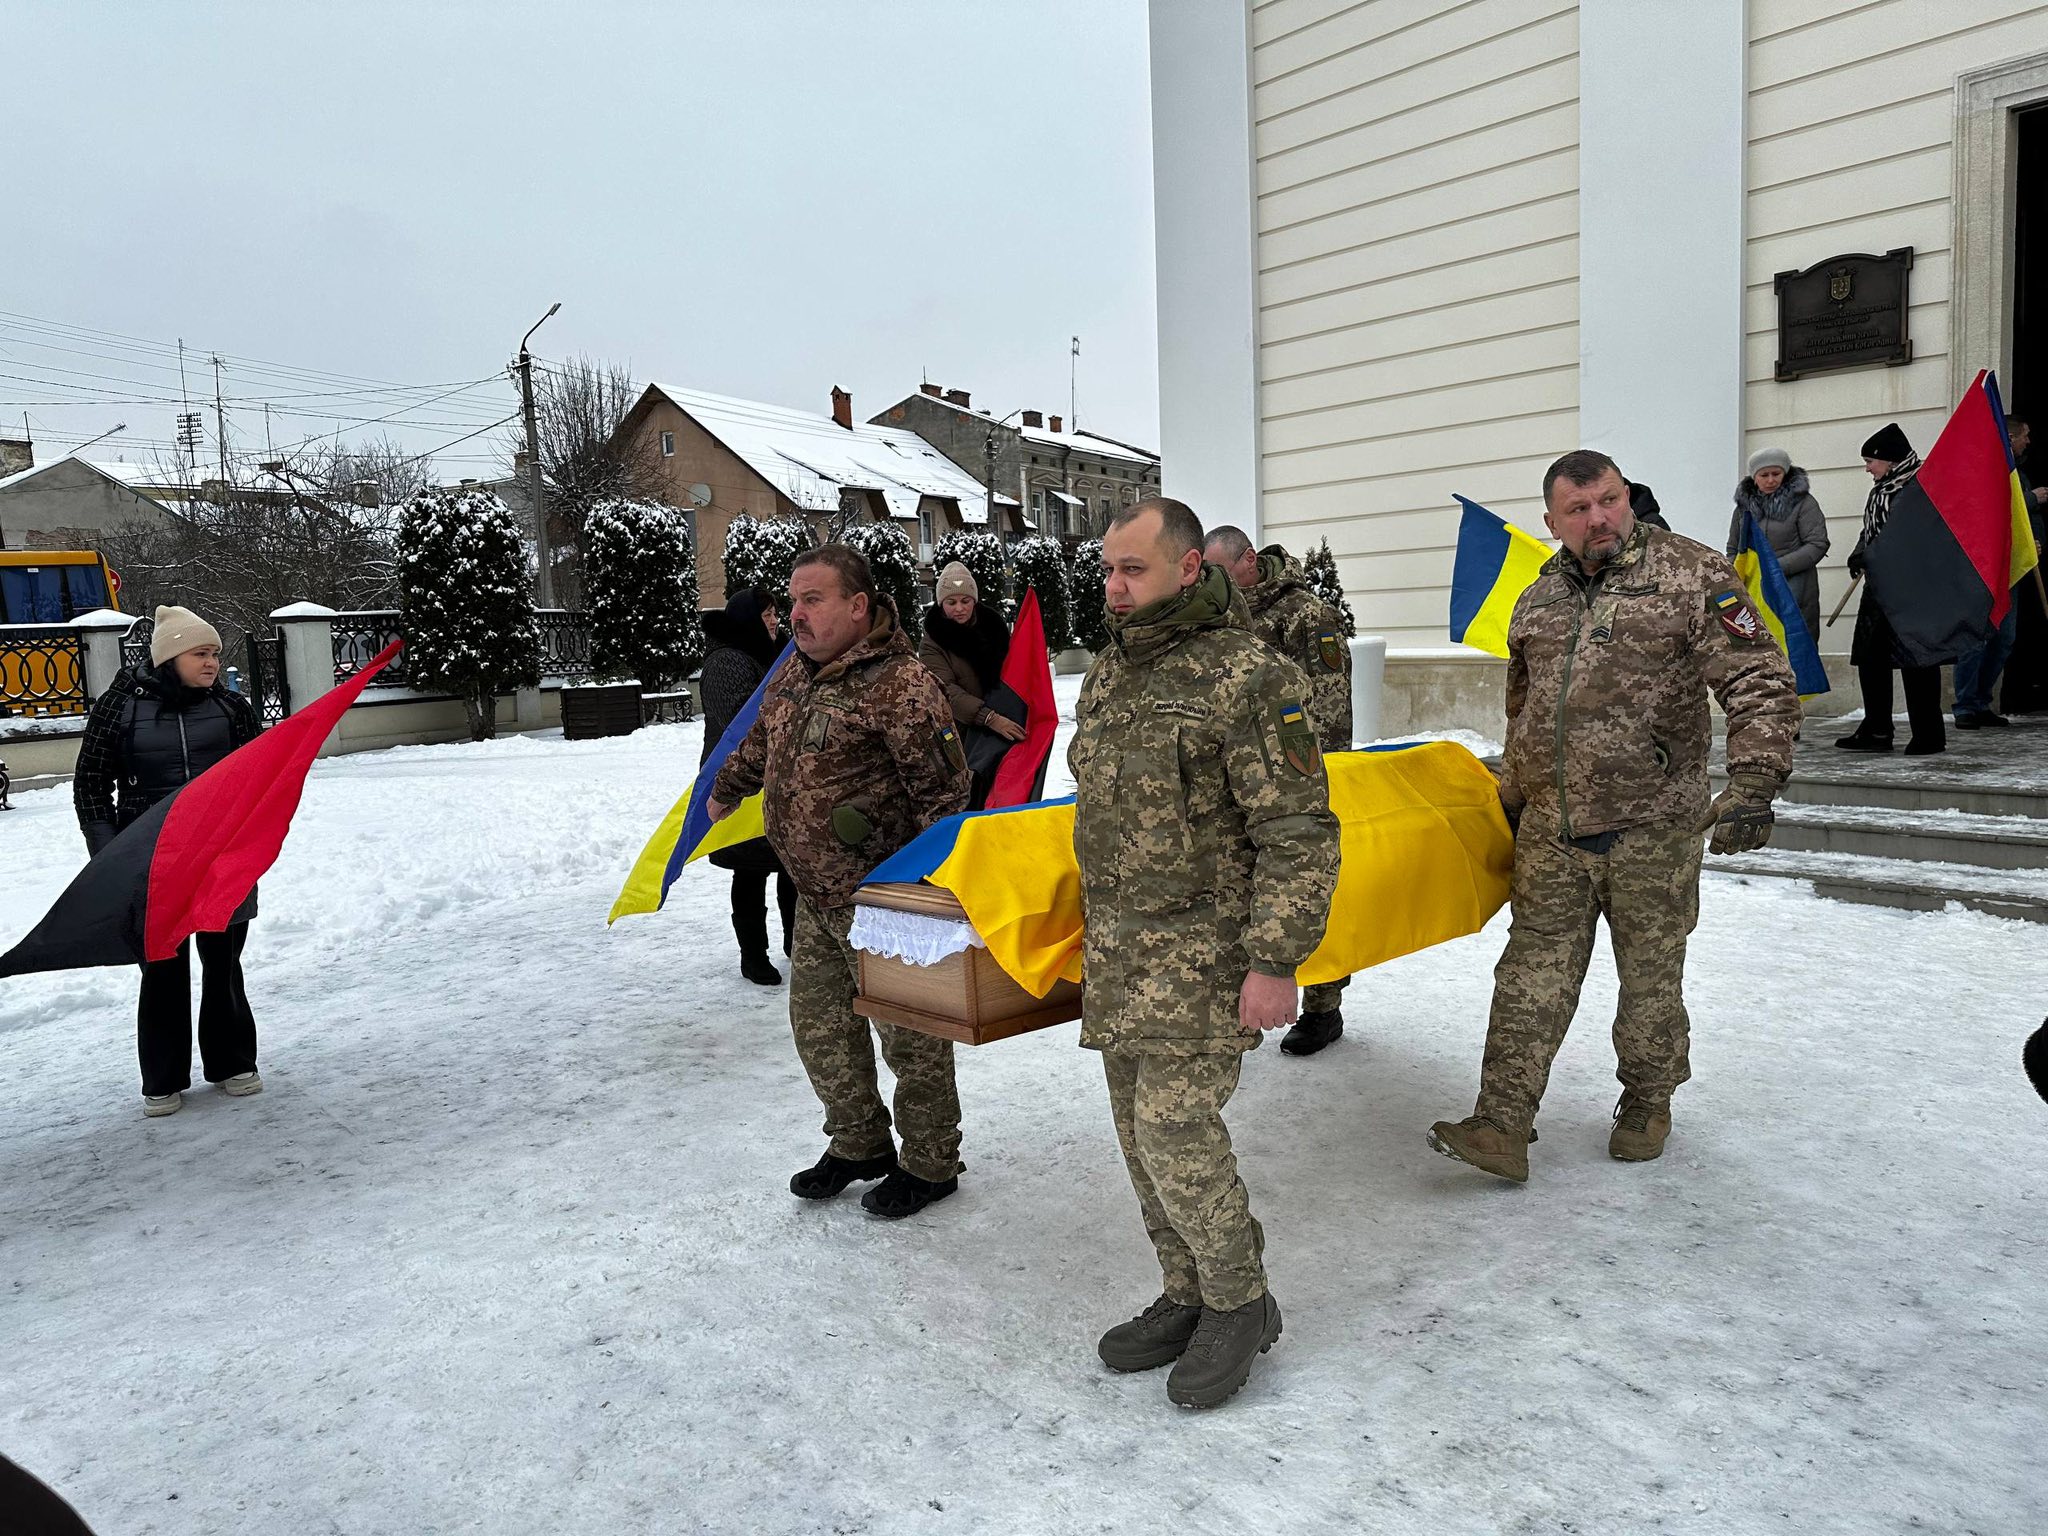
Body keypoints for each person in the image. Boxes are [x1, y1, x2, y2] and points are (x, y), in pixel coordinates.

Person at [1428, 451, 1798, 1184]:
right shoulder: (1537, 598)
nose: (1599, 519)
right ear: (1552, 521)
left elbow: (1758, 677)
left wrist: (1755, 780)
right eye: (1579, 509)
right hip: (1554, 830)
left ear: (1626, 497)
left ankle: (1647, 1101)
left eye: (1610, 500)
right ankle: (1501, 1122)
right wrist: (1512, 799)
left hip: (1652, 827)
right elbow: (1524, 711)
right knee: (1529, 976)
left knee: (1649, 980)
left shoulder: (1691, 574)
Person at [1073, 498, 1340, 1408]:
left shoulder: (1250, 676)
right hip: (1120, 956)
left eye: (1133, 569)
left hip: (1205, 958)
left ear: (1190, 567)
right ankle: (1185, 1289)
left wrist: (1275, 959)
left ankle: (1238, 1300)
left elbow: (1298, 832)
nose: (1115, 588)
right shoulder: (1112, 671)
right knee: (1135, 1135)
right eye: (1108, 570)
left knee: (1175, 1129)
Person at [707, 545, 972, 1218]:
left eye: (813, 599)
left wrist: (923, 897)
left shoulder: (902, 686)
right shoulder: (794, 673)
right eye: (793, 601)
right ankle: (859, 1143)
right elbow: (761, 741)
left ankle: (931, 1161)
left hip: (886, 902)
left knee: (911, 1038)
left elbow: (944, 799)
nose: (796, 614)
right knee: (820, 1028)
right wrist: (728, 787)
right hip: (815, 894)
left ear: (857, 606)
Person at [72, 605, 263, 1117]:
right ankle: (163, 1078)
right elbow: (91, 784)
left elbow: (259, 778)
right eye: (201, 653)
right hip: (151, 861)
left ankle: (232, 1062)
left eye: (215, 653)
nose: (212, 663)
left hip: (221, 858)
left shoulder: (232, 707)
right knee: (161, 966)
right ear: (169, 657)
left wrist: (248, 842)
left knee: (223, 962)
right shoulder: (120, 706)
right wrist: (109, 854)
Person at [1202, 524, 1355, 1056]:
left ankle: (1323, 1007)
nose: (1214, 582)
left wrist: (1314, 778)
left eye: (1221, 572)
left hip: (1300, 778)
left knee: (1306, 886)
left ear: (1249, 560)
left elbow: (1330, 705)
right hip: (1241, 777)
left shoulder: (1307, 616)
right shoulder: (1221, 613)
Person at [698, 587, 796, 985]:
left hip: (779, 778)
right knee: (750, 870)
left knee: (791, 865)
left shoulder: (777, 654)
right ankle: (753, 955)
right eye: (764, 614)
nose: (773, 621)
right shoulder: (727, 661)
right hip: (739, 780)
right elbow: (740, 722)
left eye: (774, 613)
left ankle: (796, 941)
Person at [1839, 423, 1944, 754]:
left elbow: (1916, 538)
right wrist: (1860, 552)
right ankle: (1877, 730)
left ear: (1890, 459)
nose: (1868, 468)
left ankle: (1929, 734)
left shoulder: (1920, 489)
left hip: (1915, 591)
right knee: (1871, 659)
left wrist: (1877, 556)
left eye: (1870, 461)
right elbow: (1871, 530)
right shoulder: (1881, 490)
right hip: (1879, 590)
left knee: (1918, 661)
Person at [917, 560, 1024, 809]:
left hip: (1004, 727)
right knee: (971, 802)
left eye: (965, 601)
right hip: (962, 737)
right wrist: (989, 718)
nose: (959, 608)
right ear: (941, 604)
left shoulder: (994, 630)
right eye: (951, 602)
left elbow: (1013, 670)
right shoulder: (932, 643)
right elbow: (945, 690)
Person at [1726, 447, 1829, 643]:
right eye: (1764, 475)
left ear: (1786, 473)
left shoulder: (1804, 503)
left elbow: (1817, 544)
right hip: (1754, 590)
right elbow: (1733, 549)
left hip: (1795, 588)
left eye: (1776, 474)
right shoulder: (1743, 508)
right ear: (1754, 477)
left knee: (1795, 645)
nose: (1771, 480)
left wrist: (1775, 568)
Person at [2000, 417, 2048, 715]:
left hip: (2025, 560)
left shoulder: (2019, 469)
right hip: (2006, 564)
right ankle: (1971, 704)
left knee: (2011, 636)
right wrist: (2031, 498)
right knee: (1999, 636)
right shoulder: (2000, 467)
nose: (2028, 441)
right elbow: (2002, 506)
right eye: (2024, 435)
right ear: (2010, 437)